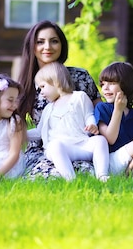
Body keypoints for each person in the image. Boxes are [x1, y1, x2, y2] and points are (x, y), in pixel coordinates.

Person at [17, 20, 101, 179]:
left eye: (54, 41)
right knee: (50, 174)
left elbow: (102, 115)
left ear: (62, 45)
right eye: (40, 42)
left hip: (80, 145)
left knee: (86, 170)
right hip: (43, 150)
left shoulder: (80, 77)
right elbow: (7, 126)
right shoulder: (25, 85)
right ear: (32, 47)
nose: (47, 47)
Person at [30, 62, 109, 181]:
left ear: (55, 82)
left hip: (82, 144)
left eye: (42, 87)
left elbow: (89, 114)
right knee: (54, 145)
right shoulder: (48, 108)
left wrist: (91, 124)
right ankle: (70, 179)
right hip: (61, 148)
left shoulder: (79, 97)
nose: (40, 92)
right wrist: (21, 134)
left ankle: (102, 175)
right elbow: (39, 132)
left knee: (100, 140)